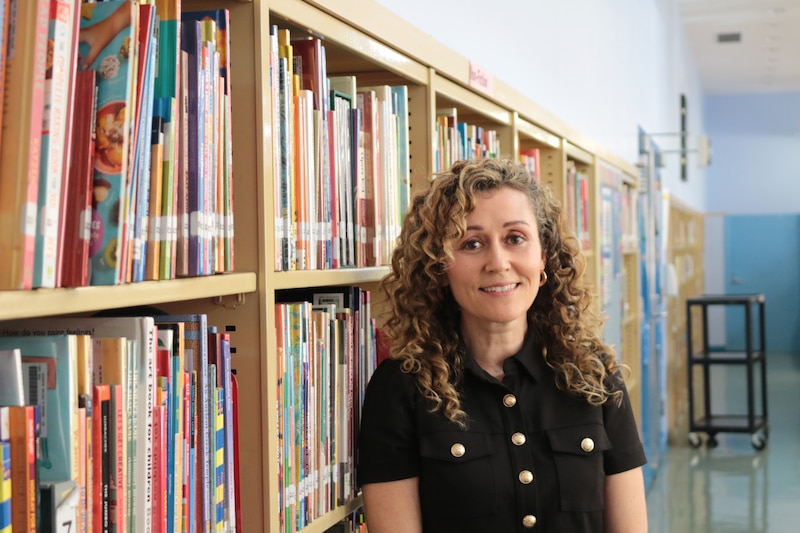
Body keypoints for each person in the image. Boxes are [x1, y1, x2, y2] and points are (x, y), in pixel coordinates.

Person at [357, 158, 648, 532]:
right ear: (440, 266)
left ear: (543, 255)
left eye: (515, 238)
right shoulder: (400, 389)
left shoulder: (595, 378)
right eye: (471, 243)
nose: (498, 262)